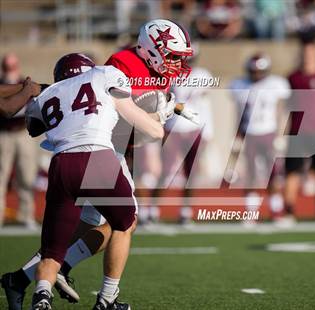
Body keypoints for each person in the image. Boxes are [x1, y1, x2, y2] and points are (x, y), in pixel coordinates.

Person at [1, 19, 193, 310]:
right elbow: (123, 115)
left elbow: (35, 124)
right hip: (105, 150)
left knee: (91, 224)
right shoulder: (118, 65)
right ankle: (104, 297)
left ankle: (29, 279)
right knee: (125, 221)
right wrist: (156, 119)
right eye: (174, 56)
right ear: (152, 49)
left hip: (70, 159)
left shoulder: (150, 71)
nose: (178, 64)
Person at [151, 43, 214, 224]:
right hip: (173, 127)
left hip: (194, 127)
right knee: (166, 172)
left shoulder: (203, 75)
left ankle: (186, 211)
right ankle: (153, 210)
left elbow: (205, 106)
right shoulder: (167, 74)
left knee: (191, 173)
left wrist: (208, 131)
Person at [229, 53, 291, 224]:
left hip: (269, 132)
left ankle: (276, 211)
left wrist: (280, 135)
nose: (255, 75)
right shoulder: (240, 85)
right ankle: (251, 213)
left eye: (259, 71)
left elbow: (280, 111)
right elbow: (240, 114)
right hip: (250, 133)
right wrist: (237, 136)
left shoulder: (276, 84)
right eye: (253, 71)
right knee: (250, 174)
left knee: (274, 174)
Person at [281, 35, 315, 228]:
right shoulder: (292, 77)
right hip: (296, 131)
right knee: (292, 172)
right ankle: (289, 212)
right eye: (305, 52)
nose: (308, 56)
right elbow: (286, 106)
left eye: (311, 52)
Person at [0, 53, 39, 229]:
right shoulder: (2, 85)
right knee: (1, 176)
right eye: (8, 67)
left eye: (13, 66)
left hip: (23, 133)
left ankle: (27, 215)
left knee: (27, 176)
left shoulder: (26, 84)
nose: (10, 71)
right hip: (4, 134)